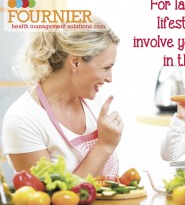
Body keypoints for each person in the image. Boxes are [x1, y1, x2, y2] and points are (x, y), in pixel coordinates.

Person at [1, 16, 123, 179]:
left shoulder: (93, 102)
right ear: (75, 63)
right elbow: (52, 198)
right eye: (106, 68)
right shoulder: (22, 120)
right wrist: (104, 146)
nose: (110, 78)